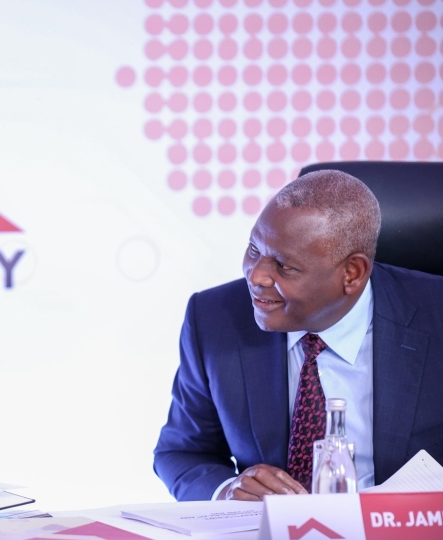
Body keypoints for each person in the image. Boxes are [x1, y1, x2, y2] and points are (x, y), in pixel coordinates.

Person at [154, 169, 443, 501]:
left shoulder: (436, 316)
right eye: (253, 249)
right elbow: (182, 453)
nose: (257, 276)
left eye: (283, 265)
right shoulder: (214, 318)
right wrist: (226, 491)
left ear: (352, 273)